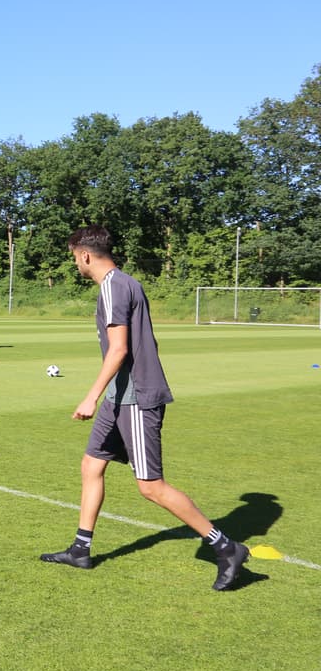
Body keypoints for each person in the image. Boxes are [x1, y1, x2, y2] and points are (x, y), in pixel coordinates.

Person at [40, 225, 249, 591]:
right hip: (118, 397)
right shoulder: (125, 283)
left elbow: (119, 349)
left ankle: (226, 547)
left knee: (151, 487)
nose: (76, 264)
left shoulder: (113, 286)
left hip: (135, 398)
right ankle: (81, 550)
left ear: (85, 255)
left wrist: (90, 396)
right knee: (91, 465)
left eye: (75, 258)